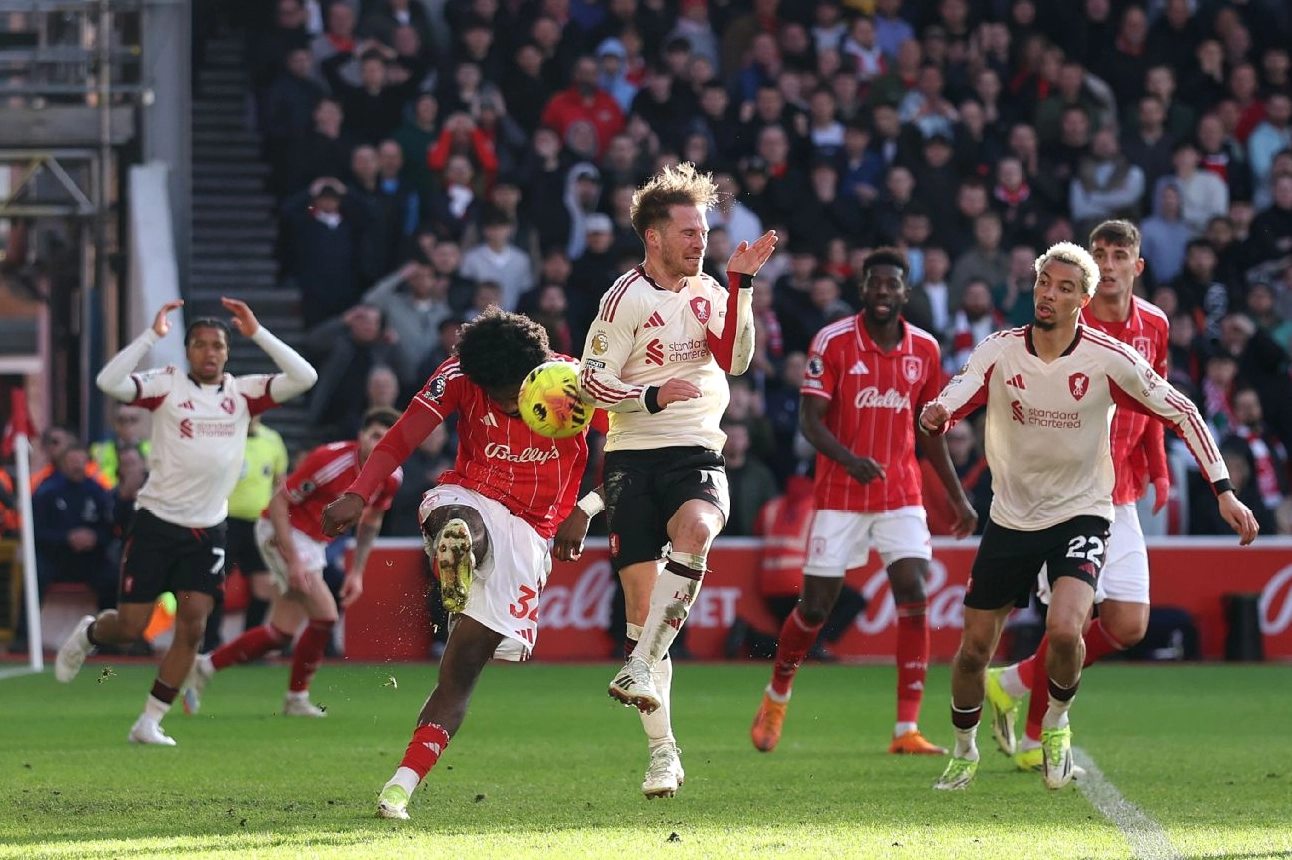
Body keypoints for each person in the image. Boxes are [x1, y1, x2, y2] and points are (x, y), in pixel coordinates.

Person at [920, 242, 1258, 791]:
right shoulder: (1001, 349)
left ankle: (1054, 723)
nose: (1049, 295)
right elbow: (955, 394)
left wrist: (1223, 489)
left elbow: (1183, 410)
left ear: (1084, 299)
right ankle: (964, 749)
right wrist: (939, 410)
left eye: (1064, 288)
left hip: (1083, 513)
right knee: (973, 651)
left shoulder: (1107, 358)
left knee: (1065, 628)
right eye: (1044, 283)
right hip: (1011, 519)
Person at [319, 308, 597, 821]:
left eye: (515, 393)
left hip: (533, 531)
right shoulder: (459, 376)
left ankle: (398, 790)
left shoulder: (573, 383)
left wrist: (588, 509)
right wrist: (360, 493)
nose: (510, 405)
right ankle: (459, 544)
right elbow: (402, 436)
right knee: (459, 515)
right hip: (470, 493)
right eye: (497, 396)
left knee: (461, 673)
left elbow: (631, 445)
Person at [576, 161, 778, 798]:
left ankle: (636, 666)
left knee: (696, 529)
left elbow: (738, 360)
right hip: (633, 455)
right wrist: (653, 394)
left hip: (697, 449)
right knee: (643, 609)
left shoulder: (712, 290)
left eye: (704, 231)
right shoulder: (622, 298)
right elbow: (589, 383)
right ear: (654, 237)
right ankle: (665, 752)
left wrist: (741, 284)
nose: (702, 242)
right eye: (690, 232)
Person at [53, 298, 317, 746]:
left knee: (193, 624)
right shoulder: (167, 385)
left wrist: (257, 332)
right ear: (187, 351)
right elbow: (108, 381)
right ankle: (91, 632)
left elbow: (304, 377)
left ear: (228, 353)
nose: (209, 352)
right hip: (156, 523)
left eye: (217, 345)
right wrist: (151, 337)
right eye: (199, 344)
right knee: (132, 626)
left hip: (208, 529)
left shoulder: (243, 393)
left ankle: (150, 720)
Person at [749, 248, 978, 758]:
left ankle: (906, 729)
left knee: (914, 593)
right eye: (874, 283)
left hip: (901, 494)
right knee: (814, 608)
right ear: (862, 290)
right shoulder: (831, 343)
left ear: (904, 293)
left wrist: (958, 498)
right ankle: (776, 695)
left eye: (891, 284)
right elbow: (811, 421)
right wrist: (849, 459)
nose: (882, 292)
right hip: (840, 494)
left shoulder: (925, 349)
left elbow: (932, 433)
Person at [983, 220, 1173, 771]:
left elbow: (1156, 400)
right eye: (1100, 253)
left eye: (1119, 255)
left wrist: (1157, 467)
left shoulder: (1155, 325)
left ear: (1136, 267)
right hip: (1063, 496)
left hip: (1122, 492)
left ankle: (1013, 682)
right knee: (1066, 622)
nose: (1109, 263)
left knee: (1129, 624)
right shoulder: (1066, 318)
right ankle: (1039, 736)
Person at [183, 407, 402, 717]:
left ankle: (205, 667)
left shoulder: (392, 476)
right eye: (376, 436)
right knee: (325, 615)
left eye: (389, 438)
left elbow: (372, 520)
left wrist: (358, 572)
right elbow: (279, 502)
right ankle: (296, 699)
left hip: (312, 542)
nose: (380, 444)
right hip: (280, 529)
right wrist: (295, 561)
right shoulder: (330, 460)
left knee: (280, 633)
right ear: (361, 436)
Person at [202, 415, 290, 652]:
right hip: (225, 522)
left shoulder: (272, 440)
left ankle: (247, 646)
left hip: (259, 524)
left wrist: (278, 520)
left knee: (263, 586)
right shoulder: (224, 437)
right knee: (217, 584)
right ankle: (210, 643)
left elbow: (279, 484)